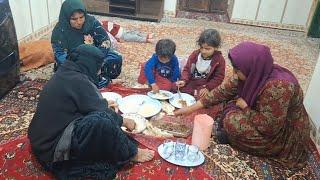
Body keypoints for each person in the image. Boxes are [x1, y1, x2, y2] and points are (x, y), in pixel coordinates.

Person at [174, 41, 310, 169]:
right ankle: (232, 133)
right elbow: (220, 93)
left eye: (237, 70)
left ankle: (236, 139)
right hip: (258, 115)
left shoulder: (279, 87)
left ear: (250, 67)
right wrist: (189, 109)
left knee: (232, 122)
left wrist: (245, 108)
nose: (234, 73)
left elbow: (269, 127)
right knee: (227, 105)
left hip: (280, 135)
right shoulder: (252, 72)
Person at [28, 44, 154, 179]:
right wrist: (124, 121)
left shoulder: (66, 72)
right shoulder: (77, 80)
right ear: (89, 64)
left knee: (101, 116)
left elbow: (84, 102)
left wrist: (102, 105)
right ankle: (132, 154)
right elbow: (101, 111)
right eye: (98, 67)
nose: (99, 72)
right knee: (102, 121)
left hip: (41, 143)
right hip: (53, 151)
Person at [51, 0, 122, 88]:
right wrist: (81, 66)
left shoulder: (91, 22)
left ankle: (97, 79)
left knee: (116, 57)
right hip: (73, 63)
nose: (79, 22)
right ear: (66, 17)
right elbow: (60, 55)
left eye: (81, 17)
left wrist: (97, 59)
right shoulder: (59, 31)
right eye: (74, 19)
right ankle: (102, 81)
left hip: (95, 57)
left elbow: (105, 41)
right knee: (71, 78)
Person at [176, 29, 225, 99]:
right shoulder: (195, 54)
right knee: (175, 86)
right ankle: (193, 93)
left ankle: (194, 94)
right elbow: (187, 69)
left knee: (208, 97)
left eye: (207, 49)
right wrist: (184, 80)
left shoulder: (219, 60)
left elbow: (219, 78)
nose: (203, 51)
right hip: (192, 81)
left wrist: (208, 87)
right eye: (202, 48)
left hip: (205, 84)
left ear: (215, 48)